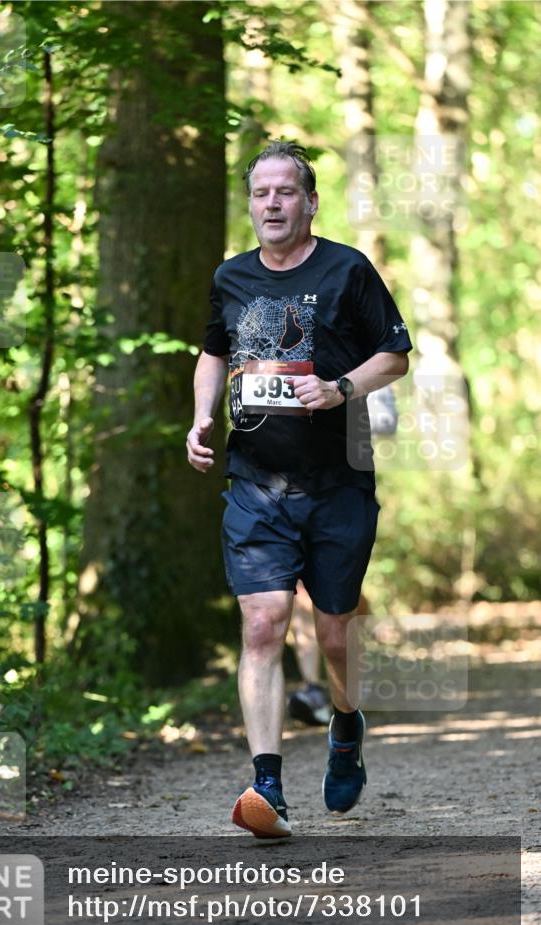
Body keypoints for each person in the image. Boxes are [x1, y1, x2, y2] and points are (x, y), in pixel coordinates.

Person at [186, 140, 412, 839]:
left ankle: (345, 725)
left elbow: (395, 355)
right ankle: (267, 787)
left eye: (286, 191)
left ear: (309, 202)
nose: (273, 203)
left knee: (335, 630)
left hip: (338, 480)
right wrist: (200, 416)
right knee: (262, 622)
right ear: (250, 204)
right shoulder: (229, 278)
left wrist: (340, 386)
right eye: (261, 193)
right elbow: (213, 352)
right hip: (255, 482)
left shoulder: (348, 270)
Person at [288, 386, 397, 726]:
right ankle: (312, 687)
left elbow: (386, 421)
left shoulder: (366, 356)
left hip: (347, 491)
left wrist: (335, 400)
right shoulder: (287, 353)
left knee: (342, 600)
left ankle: (348, 690)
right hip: (289, 487)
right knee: (298, 591)